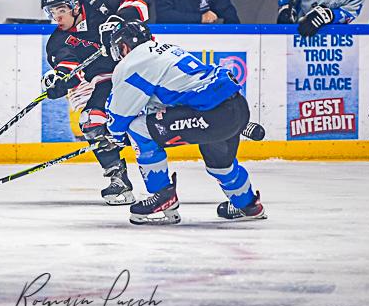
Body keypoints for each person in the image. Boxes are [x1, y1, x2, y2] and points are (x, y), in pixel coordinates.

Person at [105, 19, 266, 225]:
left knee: (138, 129)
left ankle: (162, 195)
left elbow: (120, 115)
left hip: (211, 116)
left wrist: (117, 137)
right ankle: (248, 205)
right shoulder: (167, 50)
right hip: (235, 107)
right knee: (220, 166)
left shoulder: (131, 62)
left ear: (124, 46)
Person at [41, 0, 149, 205]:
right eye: (53, 13)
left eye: (61, 10)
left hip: (144, 65)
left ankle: (235, 121)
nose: (57, 17)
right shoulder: (57, 41)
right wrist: (59, 80)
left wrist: (119, 20)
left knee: (180, 99)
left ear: (75, 7)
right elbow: (68, 67)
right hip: (108, 79)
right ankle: (119, 181)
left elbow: (139, 4)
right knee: (91, 121)